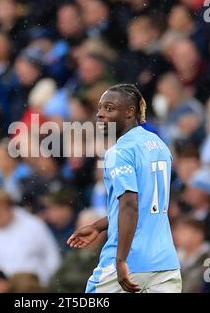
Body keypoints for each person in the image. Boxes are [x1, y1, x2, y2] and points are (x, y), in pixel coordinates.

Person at [68, 84, 182, 293]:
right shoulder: (158, 144)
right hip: (165, 264)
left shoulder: (119, 152)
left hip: (130, 259)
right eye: (100, 108)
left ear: (130, 112)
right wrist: (99, 226)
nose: (100, 114)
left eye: (109, 108)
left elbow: (130, 206)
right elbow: (145, 205)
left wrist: (121, 260)